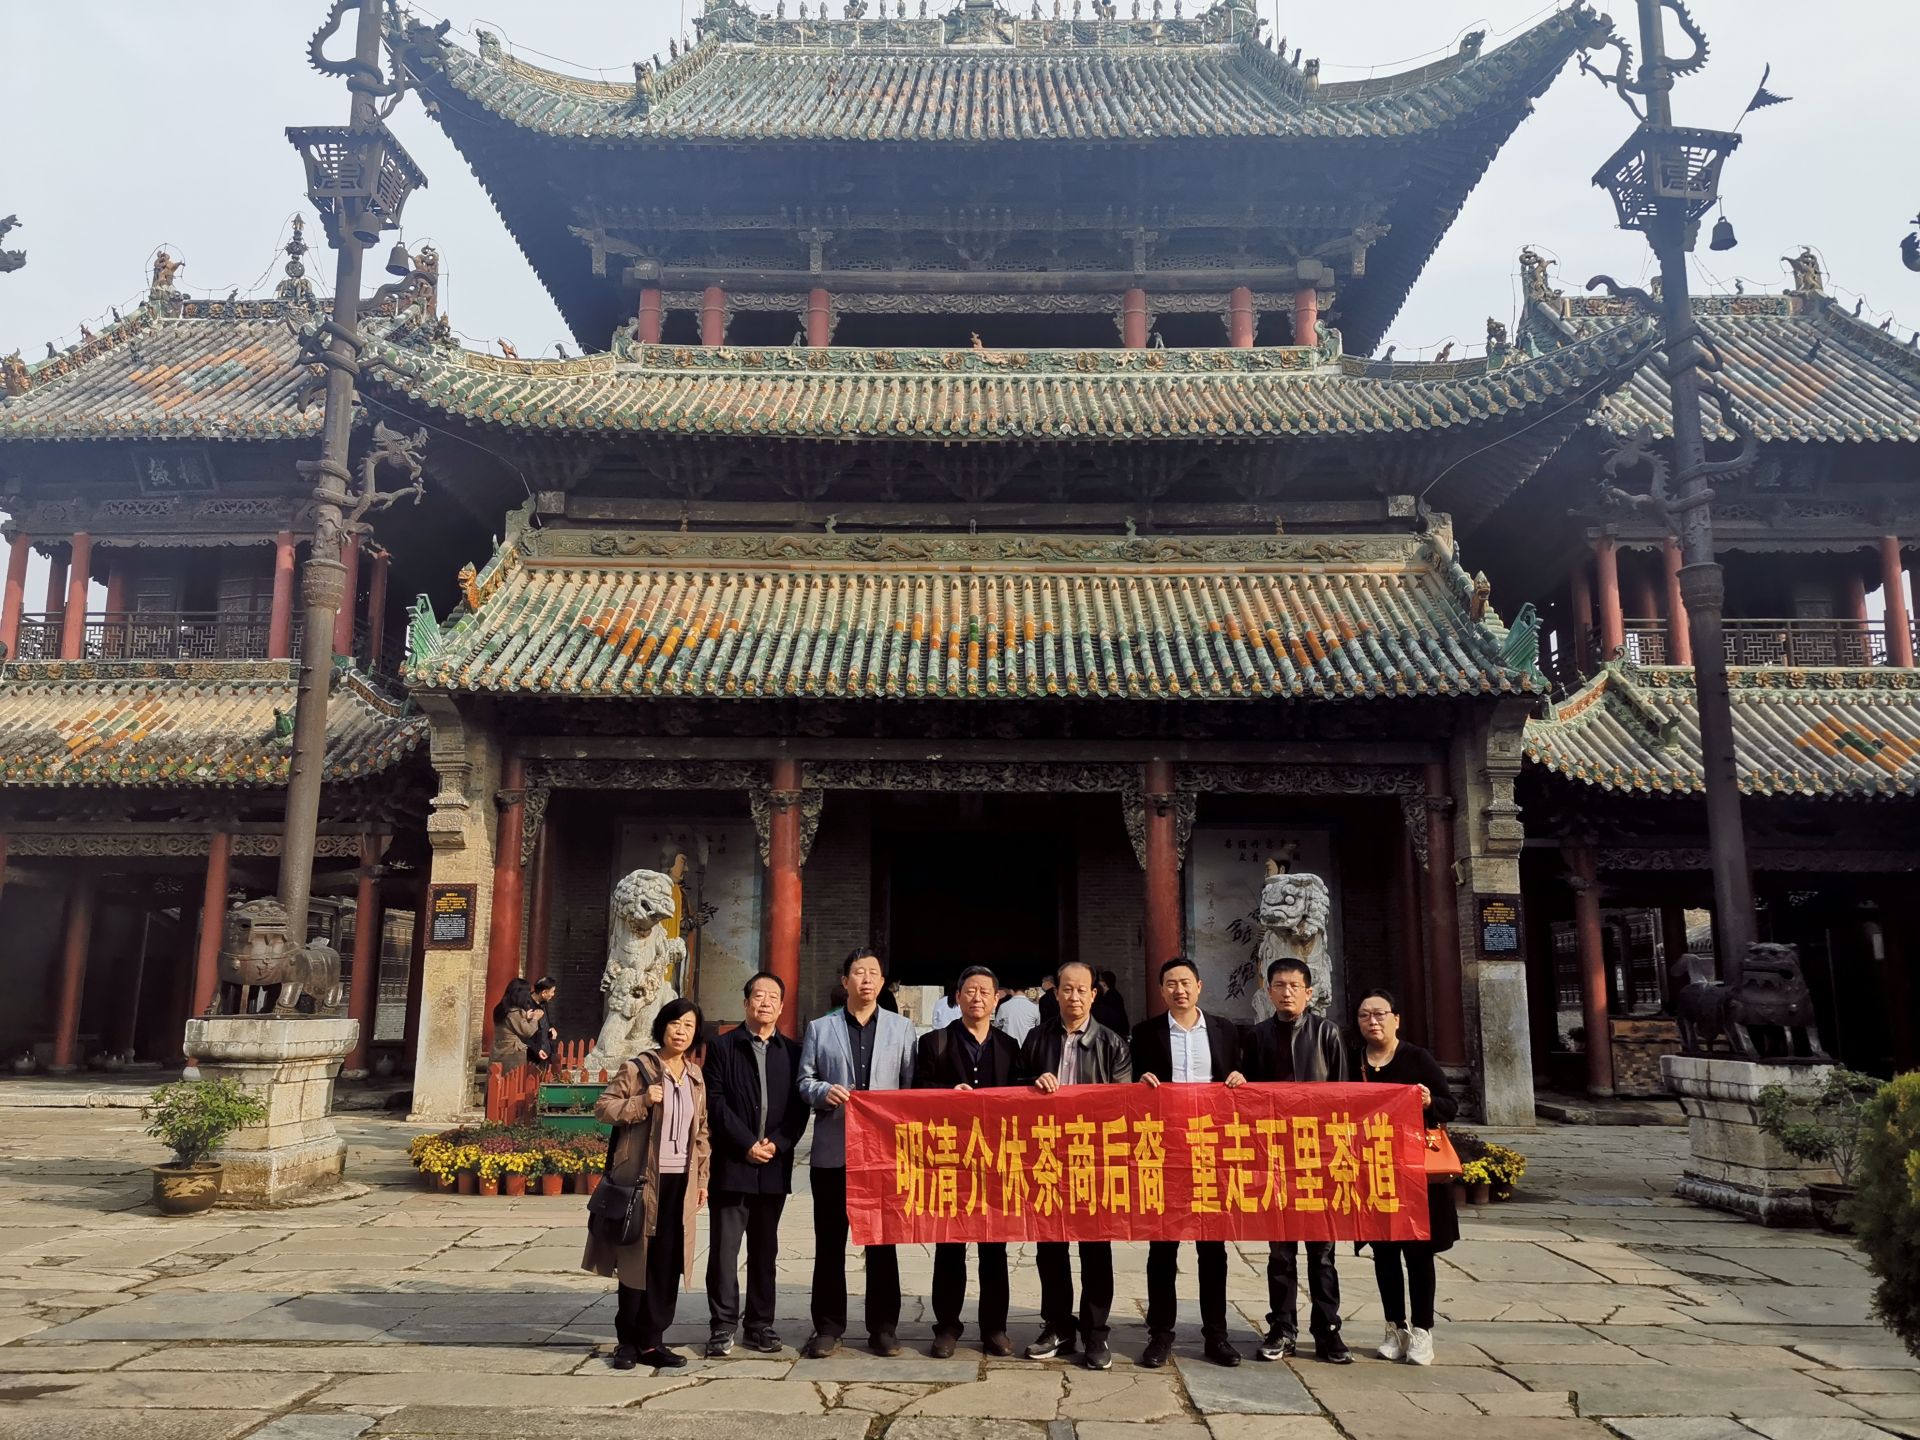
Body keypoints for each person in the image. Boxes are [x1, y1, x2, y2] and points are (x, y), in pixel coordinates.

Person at [798, 945, 918, 1360]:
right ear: (845, 981)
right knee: (830, 1244)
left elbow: (910, 1090)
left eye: (873, 973)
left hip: (883, 1155)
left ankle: (883, 1328)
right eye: (859, 972)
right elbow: (804, 1081)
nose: (866, 979)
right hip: (834, 1151)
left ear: (882, 983)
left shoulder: (902, 1030)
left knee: (883, 1244)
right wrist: (822, 1091)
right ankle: (828, 1327)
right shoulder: (820, 1028)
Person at [583, 997, 711, 1372]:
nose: (681, 1031)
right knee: (636, 1260)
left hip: (680, 1183)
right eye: (675, 1023)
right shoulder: (638, 1068)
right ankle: (627, 1341)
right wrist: (641, 1100)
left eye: (688, 1026)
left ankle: (653, 1340)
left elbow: (702, 1132)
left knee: (667, 1262)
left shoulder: (695, 1076)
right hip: (642, 1180)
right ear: (662, 1027)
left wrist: (702, 1179)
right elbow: (603, 1107)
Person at [1130, 957, 1246, 1369]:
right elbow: (1129, 1085)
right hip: (1165, 1152)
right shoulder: (1145, 1033)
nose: (1179, 990)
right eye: (1170, 984)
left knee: (1213, 1249)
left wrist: (1239, 1078)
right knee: (1162, 1248)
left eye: (1185, 983)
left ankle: (1216, 1335)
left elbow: (1243, 1080)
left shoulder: (1225, 1030)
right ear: (1161, 990)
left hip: (1211, 1150)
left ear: (1199, 986)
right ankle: (1160, 1334)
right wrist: (1140, 1083)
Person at [1019, 959, 1131, 1371]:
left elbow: (1122, 1105)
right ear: (1056, 992)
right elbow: (1012, 1090)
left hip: (1093, 1161)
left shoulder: (1113, 1044)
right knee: (1050, 1248)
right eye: (1066, 988)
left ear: (1094, 994)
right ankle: (1058, 1326)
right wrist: (1032, 1084)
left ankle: (1096, 1332)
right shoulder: (1037, 1039)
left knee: (1096, 1249)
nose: (1074, 997)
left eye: (1082, 989)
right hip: (1047, 1158)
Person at [1242, 956, 1353, 1365]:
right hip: (1275, 1157)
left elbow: (1343, 1096)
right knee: (1280, 1252)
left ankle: (1328, 1331)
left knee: (1322, 1252)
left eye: (1294, 986)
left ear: (1309, 992)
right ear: (1267, 990)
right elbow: (1248, 1099)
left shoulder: (1327, 1033)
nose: (1287, 993)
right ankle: (1282, 1328)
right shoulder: (1256, 1037)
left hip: (1318, 1157)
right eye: (1279, 985)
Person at [916, 965, 1025, 1358]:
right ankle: (947, 1326)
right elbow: (917, 1091)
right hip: (950, 1160)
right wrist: (948, 1093)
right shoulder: (934, 1043)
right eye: (970, 991)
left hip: (996, 1161)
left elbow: (1021, 1095)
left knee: (994, 1248)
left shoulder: (1010, 1046)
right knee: (950, 1246)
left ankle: (994, 1328)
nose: (977, 998)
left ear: (997, 999)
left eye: (985, 992)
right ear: (957, 996)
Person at [703, 971, 810, 1357]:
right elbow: (715, 1102)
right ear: (746, 1002)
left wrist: (777, 1144)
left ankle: (760, 1324)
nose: (765, 1002)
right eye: (758, 996)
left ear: (781, 1007)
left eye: (773, 997)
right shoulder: (722, 1047)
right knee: (724, 1250)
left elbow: (799, 1109)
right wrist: (746, 1143)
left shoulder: (793, 1052)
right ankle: (722, 1324)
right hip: (733, 1164)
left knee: (765, 1251)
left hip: (773, 1168)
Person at [1356, 988, 1457, 1368]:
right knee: (1384, 1253)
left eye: (1380, 1014)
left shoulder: (1417, 1058)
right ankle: (1394, 1327)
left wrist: (1429, 1102)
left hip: (1416, 1173)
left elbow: (1450, 1105)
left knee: (1418, 1254)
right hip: (1376, 1170)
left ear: (1396, 1019)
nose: (1373, 1021)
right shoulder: (1355, 1061)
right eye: (1365, 1015)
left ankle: (1423, 1330)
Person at [489, 977, 542, 1072]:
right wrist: (535, 1019)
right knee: (512, 1078)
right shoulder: (515, 1013)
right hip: (512, 1052)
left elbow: (510, 1027)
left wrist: (525, 1018)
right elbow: (527, 1031)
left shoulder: (501, 1009)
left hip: (499, 1049)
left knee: (496, 1077)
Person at [530, 976, 560, 1065]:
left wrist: (551, 1027)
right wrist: (536, 1049)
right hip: (533, 1052)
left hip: (545, 1048)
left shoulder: (544, 1003)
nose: (553, 994)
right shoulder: (527, 1005)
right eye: (552, 992)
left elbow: (547, 1021)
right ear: (544, 992)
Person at [1092, 969, 1129, 1036]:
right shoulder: (1108, 995)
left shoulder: (1112, 997)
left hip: (1115, 1033)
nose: (1098, 983)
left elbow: (1109, 1017)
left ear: (1104, 983)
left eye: (1099, 981)